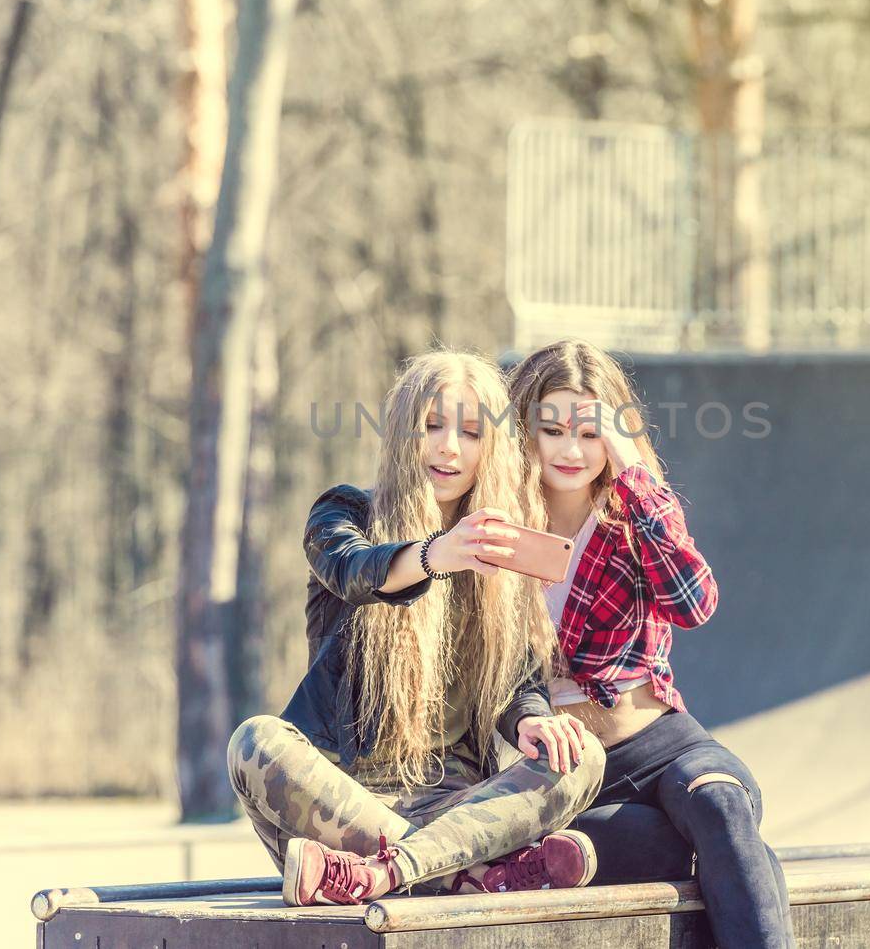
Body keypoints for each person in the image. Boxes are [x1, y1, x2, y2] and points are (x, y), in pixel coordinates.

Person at [227, 349, 604, 906]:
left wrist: (532, 721)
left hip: (453, 806)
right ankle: (464, 876)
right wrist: (439, 554)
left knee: (582, 757)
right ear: (404, 432)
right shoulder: (343, 514)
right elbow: (352, 570)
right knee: (255, 741)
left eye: (471, 432)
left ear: (491, 449)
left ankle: (384, 873)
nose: (449, 445)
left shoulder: (501, 550)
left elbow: (515, 687)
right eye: (431, 425)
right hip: (342, 805)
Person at [506, 338, 795, 946]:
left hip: (663, 744)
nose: (571, 450)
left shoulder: (633, 513)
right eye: (553, 429)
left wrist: (634, 474)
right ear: (525, 430)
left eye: (589, 433)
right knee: (613, 847)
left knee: (720, 805)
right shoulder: (499, 528)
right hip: (566, 769)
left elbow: (695, 604)